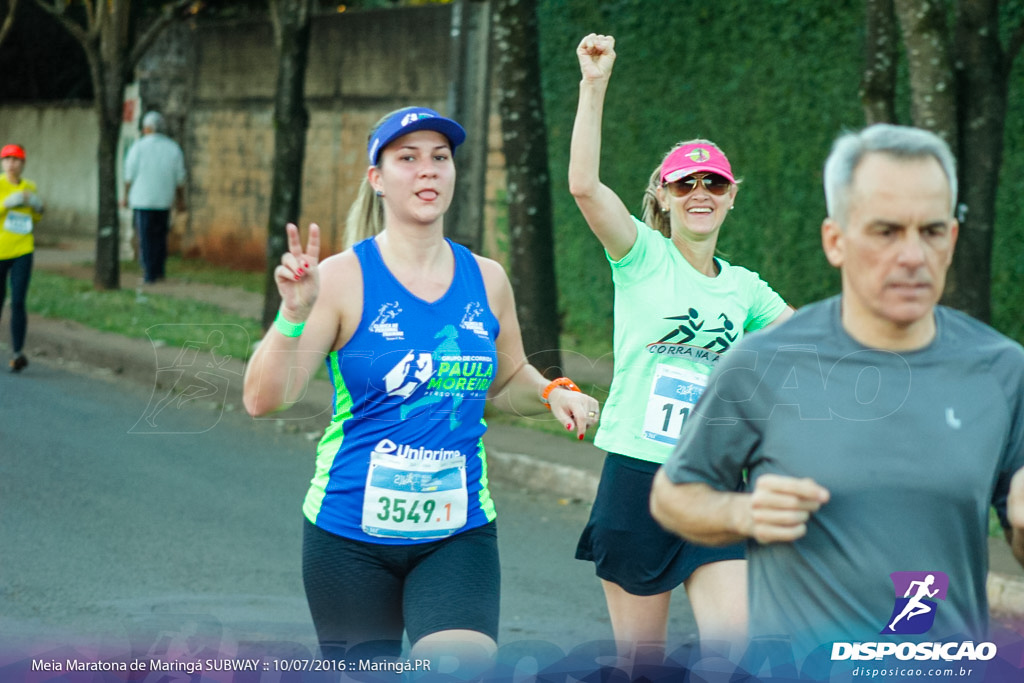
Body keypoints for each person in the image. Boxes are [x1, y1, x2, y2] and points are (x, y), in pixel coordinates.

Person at [242, 106, 600, 668]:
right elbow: (264, 399)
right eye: (407, 158)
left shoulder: (487, 279)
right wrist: (291, 314)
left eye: (440, 158)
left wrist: (553, 392)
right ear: (377, 179)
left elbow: (506, 379)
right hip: (348, 535)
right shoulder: (339, 279)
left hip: (458, 534)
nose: (427, 171)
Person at [651, 123, 1024, 661]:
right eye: (886, 231)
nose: (913, 255)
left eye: (932, 231)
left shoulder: (1002, 370)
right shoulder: (764, 363)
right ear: (836, 241)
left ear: (952, 240)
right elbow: (673, 495)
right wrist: (743, 514)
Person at [567, 33, 793, 656]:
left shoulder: (747, 288)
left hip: (714, 481)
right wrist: (594, 85)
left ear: (730, 197)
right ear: (663, 196)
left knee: (734, 649)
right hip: (638, 478)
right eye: (686, 184)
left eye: (714, 185)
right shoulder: (641, 255)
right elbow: (584, 186)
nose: (700, 194)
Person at [122, 111, 186, 284]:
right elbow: (180, 179)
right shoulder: (173, 148)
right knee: (160, 237)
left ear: (147, 128)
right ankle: (159, 270)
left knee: (146, 237)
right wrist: (180, 200)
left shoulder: (138, 147)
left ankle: (149, 273)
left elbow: (129, 176)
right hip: (163, 200)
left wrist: (125, 196)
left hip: (142, 200)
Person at [0, 143, 44, 373]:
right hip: (0, 250)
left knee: (18, 301)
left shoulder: (30, 187)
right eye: (7, 159)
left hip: (23, 250)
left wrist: (37, 205)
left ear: (23, 163)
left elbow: (36, 217)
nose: (11, 164)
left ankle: (17, 353)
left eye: (16, 159)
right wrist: (6, 203)